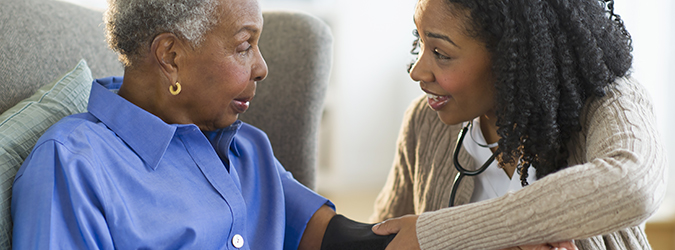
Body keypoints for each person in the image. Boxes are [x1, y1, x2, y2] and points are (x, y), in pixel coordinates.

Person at [10, 0, 344, 249]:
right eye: (244, 47)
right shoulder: (73, 165)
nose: (262, 68)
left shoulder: (248, 147)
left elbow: (327, 232)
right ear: (170, 56)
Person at [370, 0, 667, 249]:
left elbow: (633, 186)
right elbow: (387, 236)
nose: (417, 71)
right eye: (420, 41)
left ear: (513, 52)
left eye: (441, 54)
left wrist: (441, 234)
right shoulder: (425, 123)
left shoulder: (610, 103)